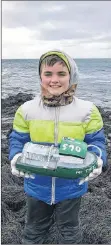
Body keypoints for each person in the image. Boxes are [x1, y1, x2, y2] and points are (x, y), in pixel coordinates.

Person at [9, 50, 107, 244]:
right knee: (34, 230)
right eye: (48, 74)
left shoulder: (88, 111)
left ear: (72, 76)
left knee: (70, 231)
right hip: (36, 186)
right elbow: (17, 140)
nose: (55, 80)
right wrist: (15, 156)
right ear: (40, 76)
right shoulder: (26, 110)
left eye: (61, 74)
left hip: (71, 188)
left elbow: (97, 142)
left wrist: (97, 159)